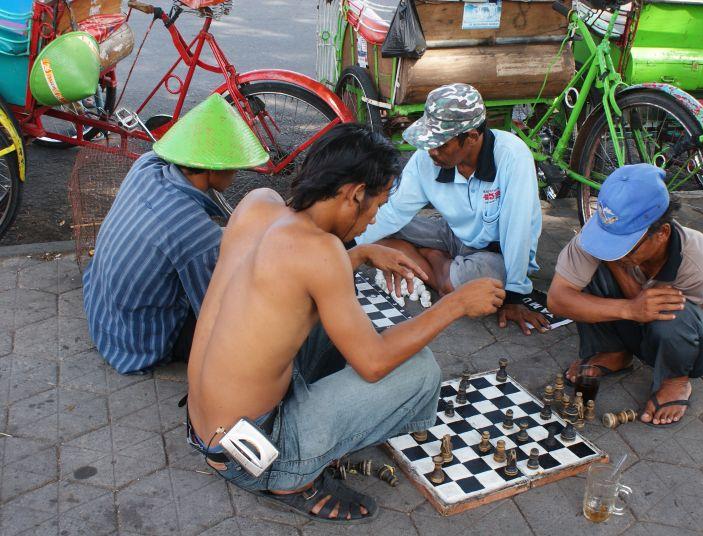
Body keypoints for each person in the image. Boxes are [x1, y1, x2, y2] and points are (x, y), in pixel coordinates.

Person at [186, 123, 505, 523]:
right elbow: (373, 362)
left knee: (339, 317)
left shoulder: (259, 203)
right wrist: (455, 304)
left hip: (206, 431)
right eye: (375, 205)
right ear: (354, 194)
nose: (373, 219)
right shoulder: (322, 252)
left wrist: (361, 254)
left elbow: (282, 279)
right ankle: (292, 479)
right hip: (254, 455)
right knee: (420, 368)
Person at [82, 93, 268, 374]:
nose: (238, 172)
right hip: (136, 342)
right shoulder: (196, 234)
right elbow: (215, 309)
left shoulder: (146, 165)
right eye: (234, 166)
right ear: (211, 169)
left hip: (101, 311)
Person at [548, 164, 703, 426]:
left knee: (671, 311)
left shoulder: (700, 264)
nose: (616, 252)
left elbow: (671, 326)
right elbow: (558, 298)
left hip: (698, 344)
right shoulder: (605, 228)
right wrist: (629, 308)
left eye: (626, 245)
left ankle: (675, 380)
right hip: (641, 320)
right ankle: (613, 351)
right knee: (587, 274)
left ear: (661, 234)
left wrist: (633, 300)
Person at [355, 83, 548, 335]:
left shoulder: (512, 156)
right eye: (429, 141)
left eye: (441, 144)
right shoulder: (427, 158)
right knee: (372, 225)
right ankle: (438, 260)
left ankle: (432, 257)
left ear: (472, 137)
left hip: (496, 255)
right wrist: (343, 248)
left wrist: (514, 295)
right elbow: (394, 213)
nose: (431, 151)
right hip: (451, 234)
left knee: (470, 287)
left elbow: (518, 232)